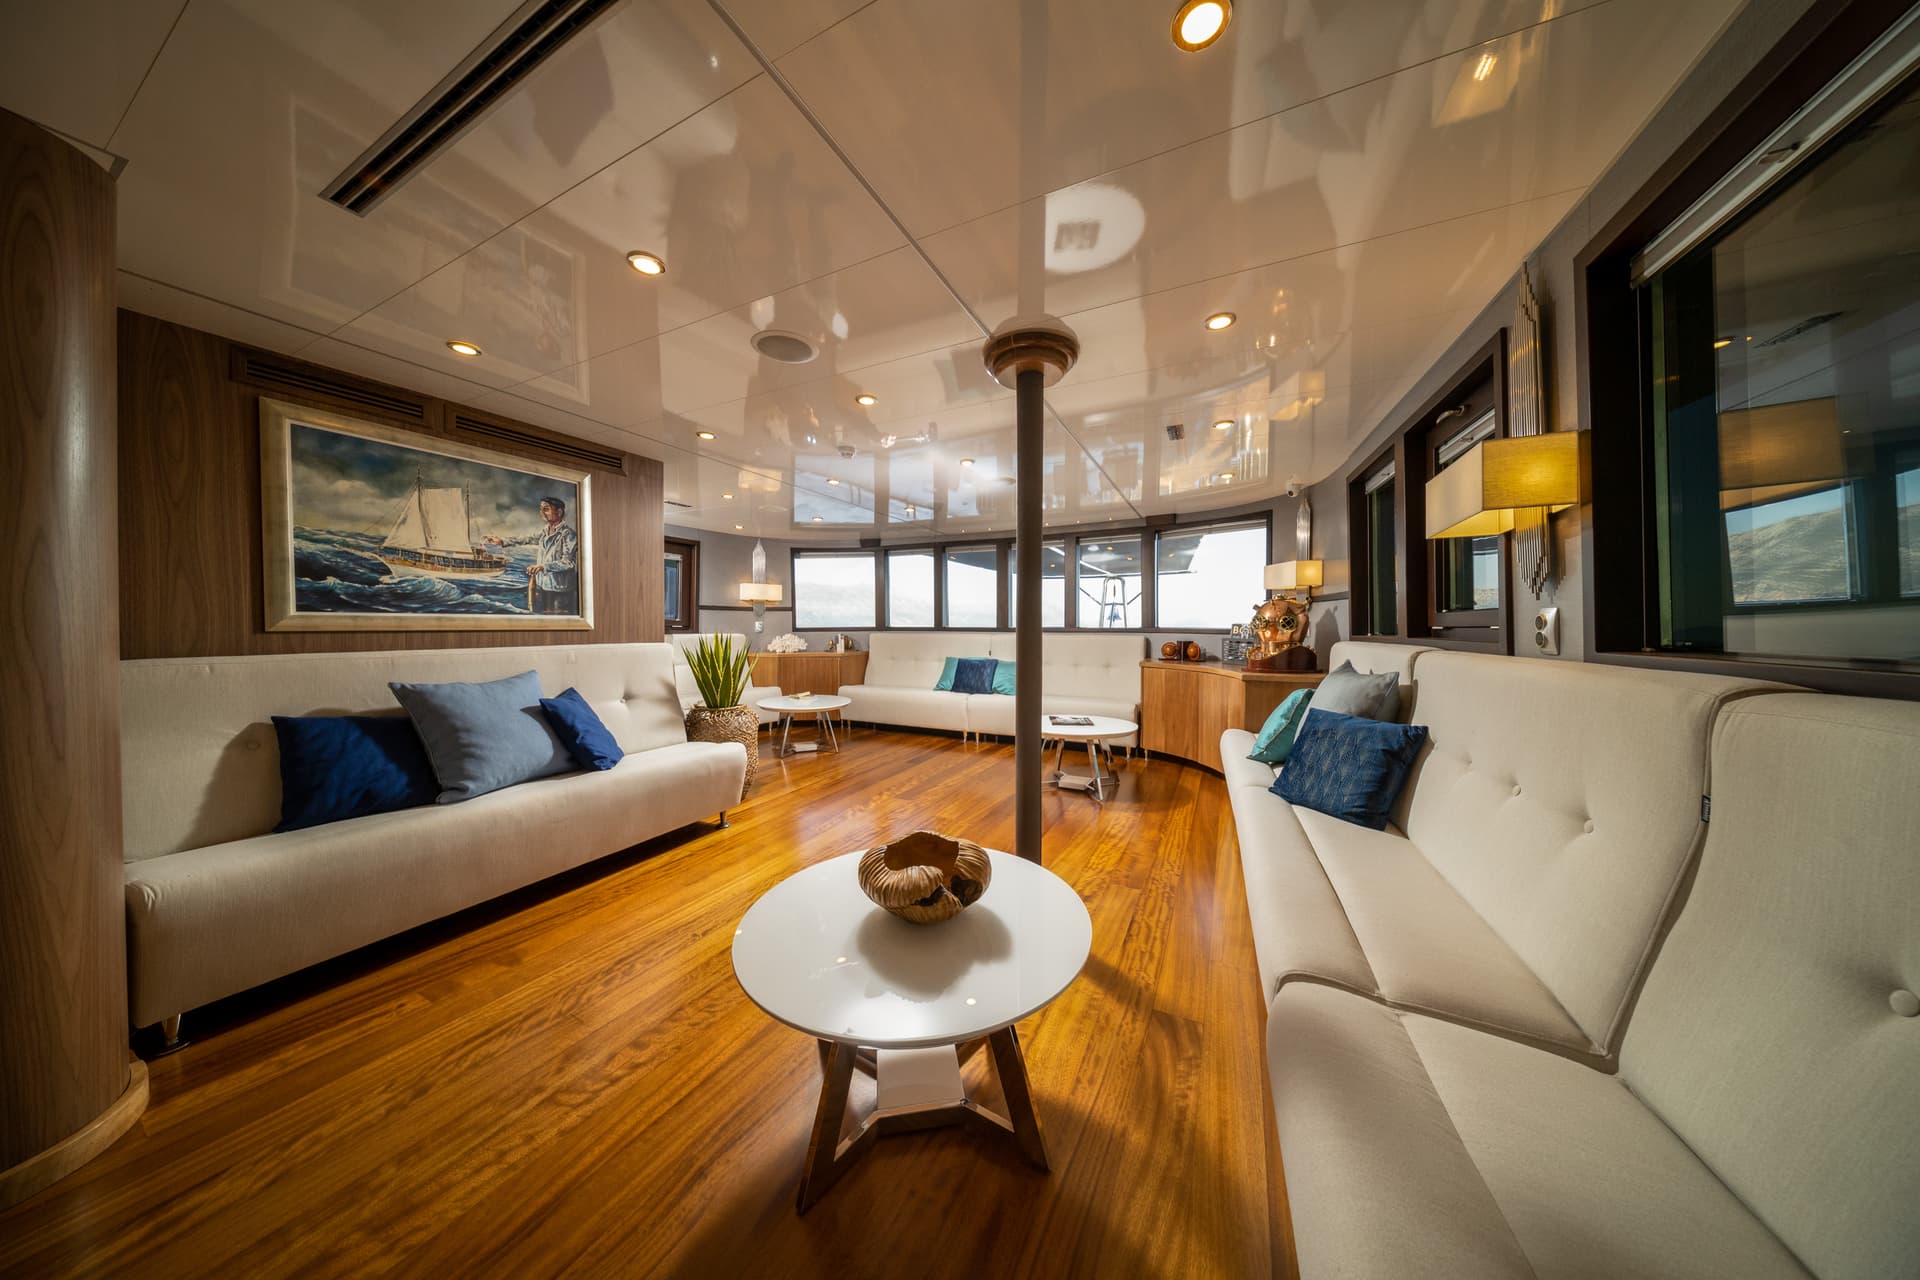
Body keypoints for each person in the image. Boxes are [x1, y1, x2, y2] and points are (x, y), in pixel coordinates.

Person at [486, 495, 579, 615]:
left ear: (559, 512)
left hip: (560, 590)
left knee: (555, 621)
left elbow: (569, 562)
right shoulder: (545, 531)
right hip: (543, 585)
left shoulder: (568, 534)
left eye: (546, 509)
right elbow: (526, 539)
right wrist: (503, 541)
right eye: (541, 509)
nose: (542, 513)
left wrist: (543, 567)